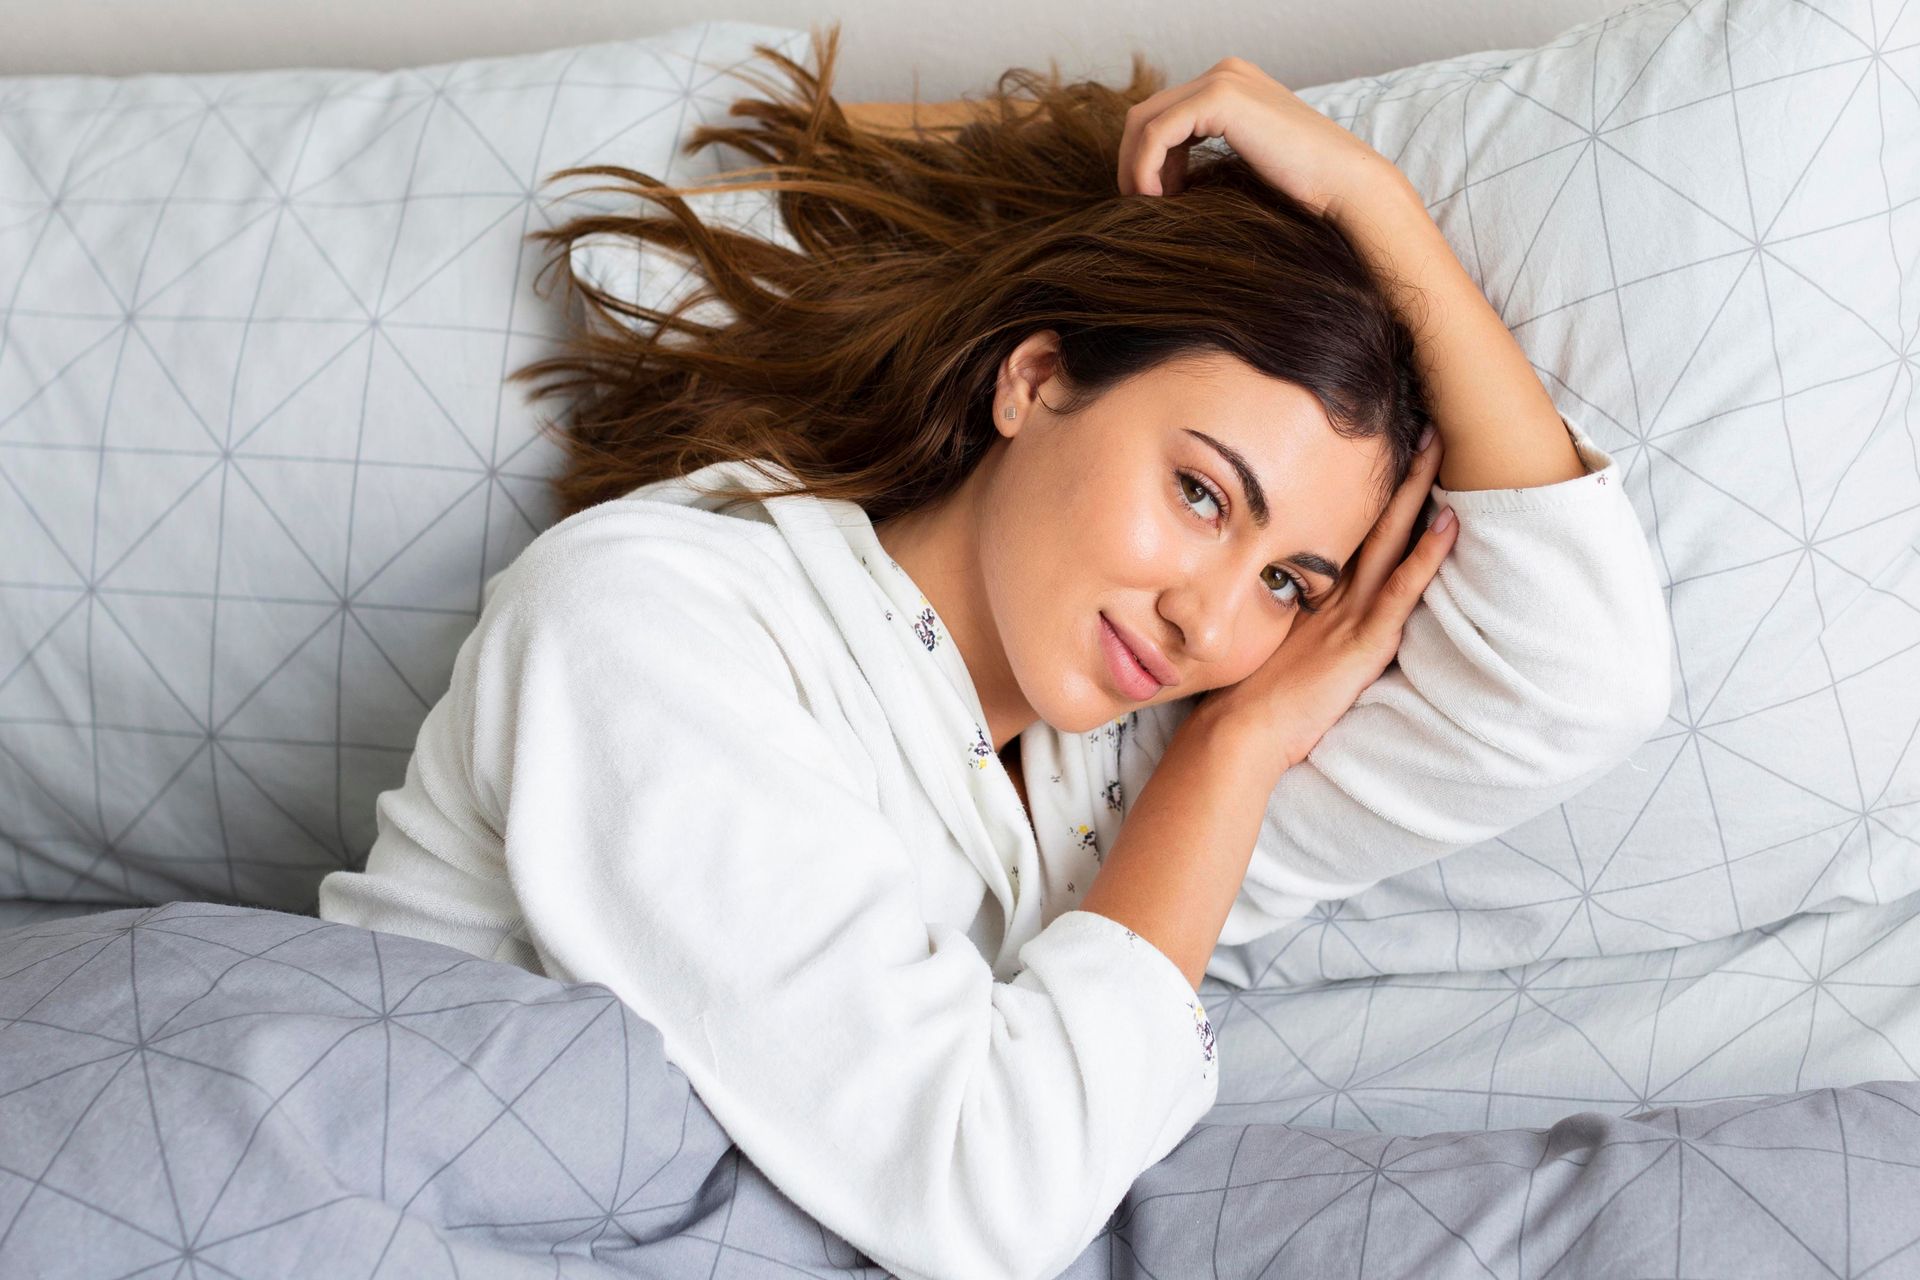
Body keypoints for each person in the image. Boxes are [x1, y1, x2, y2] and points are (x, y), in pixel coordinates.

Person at [317, 26, 1672, 1280]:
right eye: (1201, 494)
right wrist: (1230, 765)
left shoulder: (1118, 759)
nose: (1209, 618)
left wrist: (1378, 208)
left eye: (1286, 582)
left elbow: (1580, 679)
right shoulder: (657, 624)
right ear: (1034, 381)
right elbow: (983, 1188)